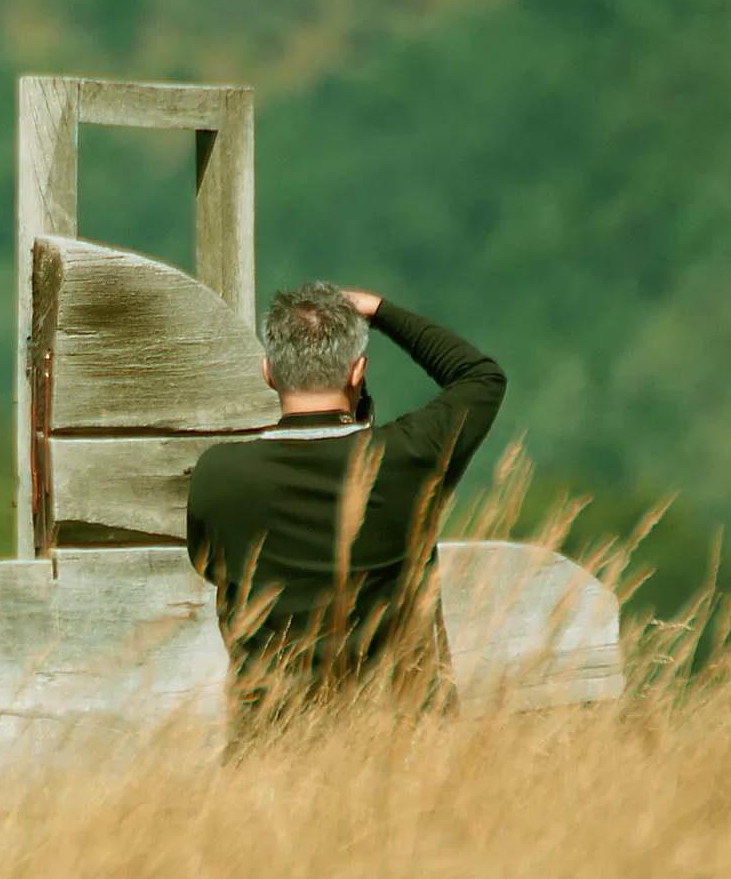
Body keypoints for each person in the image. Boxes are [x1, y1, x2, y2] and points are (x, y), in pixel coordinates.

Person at [185, 283, 506, 743]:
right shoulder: (404, 458)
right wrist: (377, 309)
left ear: (269, 372)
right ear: (357, 372)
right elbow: (480, 377)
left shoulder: (218, 475)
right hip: (394, 752)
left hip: (267, 754)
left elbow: (208, 566)